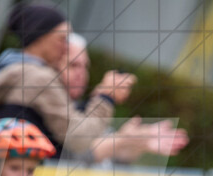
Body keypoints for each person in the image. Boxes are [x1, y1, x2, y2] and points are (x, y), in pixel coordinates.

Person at [0, 3, 135, 159]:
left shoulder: (11, 68)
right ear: (40, 36)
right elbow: (78, 139)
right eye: (62, 38)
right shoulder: (39, 78)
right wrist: (106, 98)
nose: (66, 47)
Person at [57, 33, 188, 164]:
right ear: (52, 65)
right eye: (73, 65)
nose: (81, 73)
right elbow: (73, 158)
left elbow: (111, 157)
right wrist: (122, 140)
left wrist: (137, 143)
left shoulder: (79, 108)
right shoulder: (48, 110)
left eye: (85, 66)